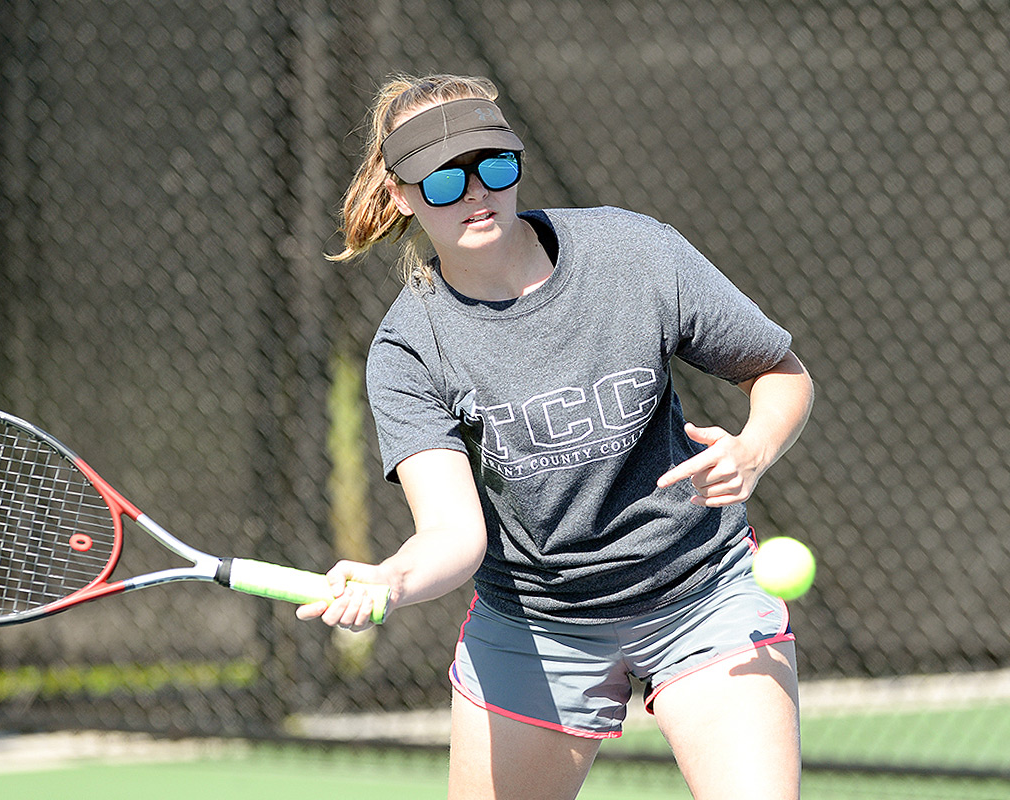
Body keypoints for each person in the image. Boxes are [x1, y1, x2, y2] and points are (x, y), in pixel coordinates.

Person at [296, 73, 814, 800]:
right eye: (442, 181)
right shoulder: (409, 349)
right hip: (536, 626)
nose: (476, 193)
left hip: (703, 590)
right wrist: (392, 579)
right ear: (401, 197)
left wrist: (754, 449)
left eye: (492, 166)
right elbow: (452, 533)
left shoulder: (635, 255)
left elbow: (780, 372)